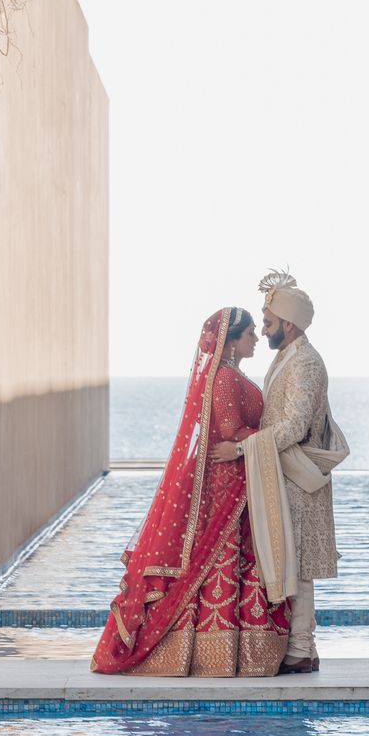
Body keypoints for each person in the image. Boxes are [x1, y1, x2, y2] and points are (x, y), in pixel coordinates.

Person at [91, 307, 292, 677]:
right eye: (249, 333)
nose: (255, 339)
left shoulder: (232, 373)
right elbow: (230, 429)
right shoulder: (226, 378)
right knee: (222, 556)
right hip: (228, 480)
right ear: (231, 340)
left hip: (239, 475)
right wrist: (275, 436)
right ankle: (215, 653)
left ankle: (229, 652)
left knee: (232, 557)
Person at [213, 272, 348, 674]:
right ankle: (303, 647)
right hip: (282, 472)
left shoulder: (305, 362)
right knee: (291, 560)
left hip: (297, 475)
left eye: (268, 322)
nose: (263, 328)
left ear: (287, 324)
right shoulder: (286, 356)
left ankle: (301, 651)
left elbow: (295, 426)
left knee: (299, 564)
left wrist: (241, 448)